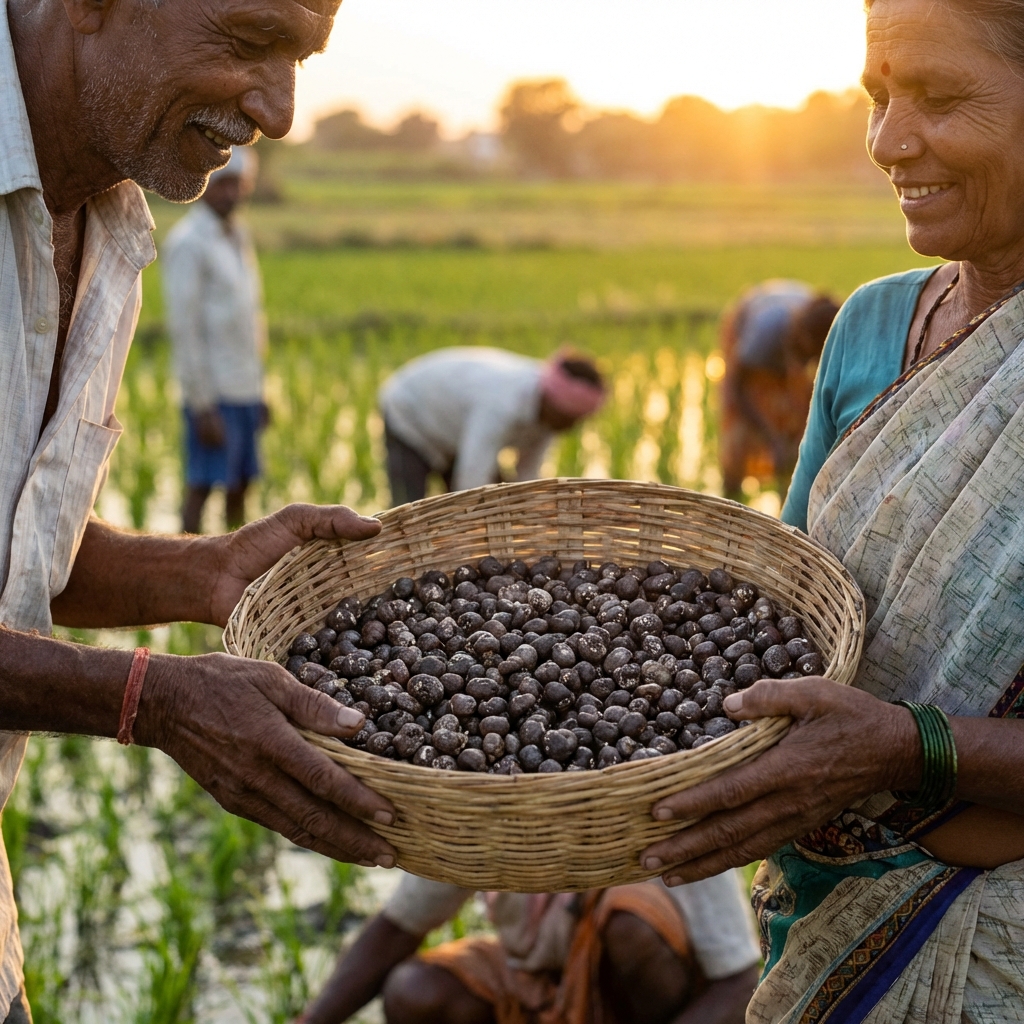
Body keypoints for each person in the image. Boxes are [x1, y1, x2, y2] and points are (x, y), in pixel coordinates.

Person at [0, 0, 399, 1018]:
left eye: (300, 57)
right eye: (248, 39)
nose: (280, 108)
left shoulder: (107, 221)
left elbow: (20, 553)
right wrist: (150, 698)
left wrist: (201, 572)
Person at [638, 1, 1024, 1020]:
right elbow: (790, 614)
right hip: (819, 904)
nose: (887, 141)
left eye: (938, 98)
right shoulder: (869, 327)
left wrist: (907, 746)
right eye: (876, 96)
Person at [299, 871, 760, 1024]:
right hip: (538, 982)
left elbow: (740, 982)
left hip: (642, 997)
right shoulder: (491, 800)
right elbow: (396, 928)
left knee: (630, 917)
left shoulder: (665, 789)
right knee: (413, 991)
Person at [162, 146, 268, 533]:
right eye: (222, 184)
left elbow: (249, 319)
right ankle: (183, 576)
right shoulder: (189, 243)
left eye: (237, 184)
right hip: (214, 393)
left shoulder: (237, 235)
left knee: (242, 485)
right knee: (202, 486)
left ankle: (238, 577)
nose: (231, 193)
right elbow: (185, 329)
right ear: (204, 184)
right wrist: (202, 405)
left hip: (244, 388)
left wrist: (261, 390)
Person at [378, 348, 605, 506]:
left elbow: (528, 475)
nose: (571, 426)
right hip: (411, 412)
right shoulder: (502, 403)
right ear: (553, 404)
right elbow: (471, 480)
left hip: (456, 430)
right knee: (409, 509)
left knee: (497, 496)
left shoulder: (549, 417)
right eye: (569, 418)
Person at [717, 282, 839, 500]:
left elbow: (814, 397)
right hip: (749, 343)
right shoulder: (765, 332)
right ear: (802, 339)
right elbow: (735, 388)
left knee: (793, 433)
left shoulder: (829, 336)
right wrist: (770, 437)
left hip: (785, 334)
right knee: (739, 438)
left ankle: (787, 506)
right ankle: (729, 499)